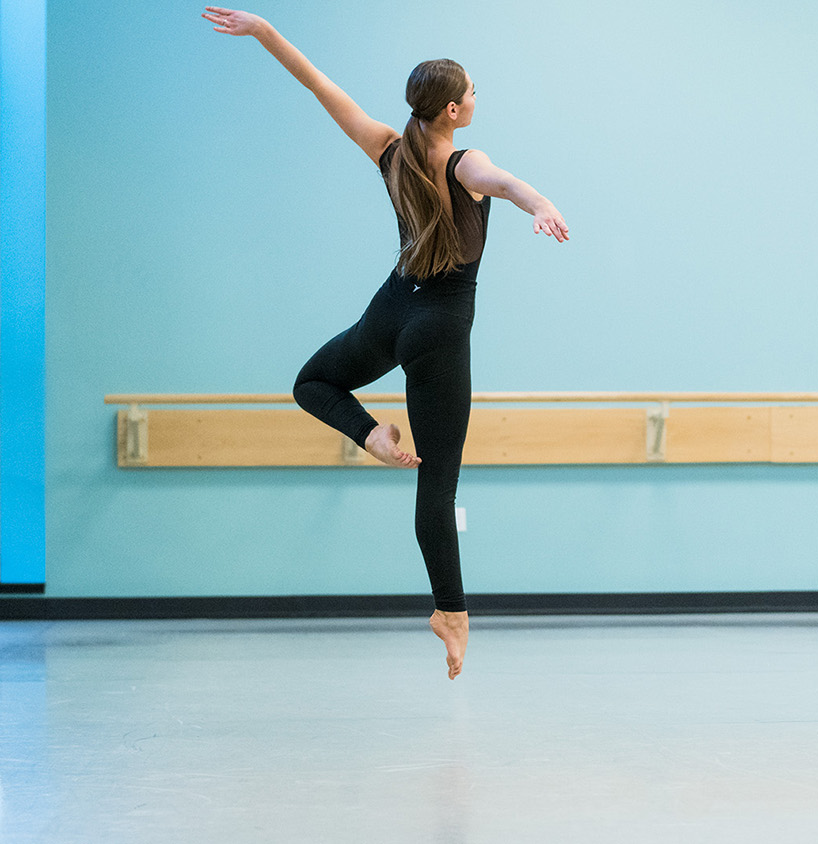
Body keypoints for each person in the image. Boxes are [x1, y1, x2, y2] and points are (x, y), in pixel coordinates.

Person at [204, 6, 570, 679]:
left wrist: (264, 33)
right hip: (438, 330)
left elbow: (319, 85)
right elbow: (501, 181)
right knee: (437, 483)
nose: (476, 101)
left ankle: (370, 436)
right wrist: (537, 203)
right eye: (473, 94)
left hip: (391, 312)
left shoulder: (387, 147)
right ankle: (450, 612)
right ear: (456, 109)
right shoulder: (466, 161)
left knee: (314, 382)